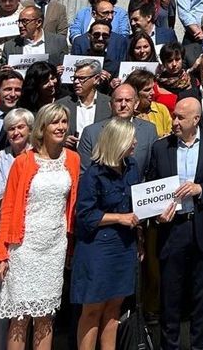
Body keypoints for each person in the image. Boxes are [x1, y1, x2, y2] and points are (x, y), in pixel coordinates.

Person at [147, 97, 203, 350]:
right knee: (170, 298)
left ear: (196, 120)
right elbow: (151, 187)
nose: (174, 121)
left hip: (202, 229)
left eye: (180, 118)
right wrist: (155, 214)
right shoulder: (160, 148)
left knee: (201, 299)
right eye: (174, 116)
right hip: (172, 229)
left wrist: (200, 189)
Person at [0, 103, 80, 350]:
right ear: (42, 126)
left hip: (54, 248)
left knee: (46, 317)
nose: (61, 127)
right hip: (24, 248)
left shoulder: (72, 159)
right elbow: (8, 208)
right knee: (20, 318)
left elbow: (71, 206)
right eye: (55, 122)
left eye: (64, 121)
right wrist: (1, 254)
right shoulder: (23, 162)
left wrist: (71, 246)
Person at [71, 118, 141, 350]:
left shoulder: (132, 167)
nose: (135, 143)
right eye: (131, 139)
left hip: (124, 246)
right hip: (98, 249)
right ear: (118, 141)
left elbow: (138, 205)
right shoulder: (94, 174)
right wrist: (119, 218)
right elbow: (85, 215)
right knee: (92, 309)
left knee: (114, 309)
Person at [0, 108, 32, 350]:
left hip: (29, 238)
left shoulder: (40, 157)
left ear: (30, 130)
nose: (15, 132)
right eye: (11, 128)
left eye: (20, 127)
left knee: (24, 302)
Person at [77, 83, 159, 178]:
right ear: (110, 105)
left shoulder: (149, 130)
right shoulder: (91, 132)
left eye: (128, 100)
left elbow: (152, 170)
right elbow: (84, 174)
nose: (123, 105)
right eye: (119, 100)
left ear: (136, 104)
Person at [57, 59, 111, 146]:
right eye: (74, 78)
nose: (76, 82)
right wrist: (61, 140)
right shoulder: (61, 105)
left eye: (82, 78)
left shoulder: (109, 104)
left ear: (96, 79)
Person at [0, 5, 68, 67]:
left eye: (25, 21)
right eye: (19, 21)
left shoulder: (58, 42)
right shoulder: (10, 46)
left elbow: (64, 67)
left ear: (38, 22)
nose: (20, 25)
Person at [71, 18, 129, 85]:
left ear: (109, 38)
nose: (100, 38)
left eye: (105, 36)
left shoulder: (114, 65)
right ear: (89, 37)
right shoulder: (79, 61)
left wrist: (110, 83)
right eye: (96, 35)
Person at [125, 69, 173, 138]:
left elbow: (170, 134)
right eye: (147, 90)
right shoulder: (126, 113)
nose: (153, 92)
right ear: (134, 93)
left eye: (153, 88)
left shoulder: (161, 109)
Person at [154, 42, 191, 114]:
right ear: (164, 63)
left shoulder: (193, 81)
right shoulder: (157, 85)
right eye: (170, 61)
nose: (174, 64)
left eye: (177, 59)